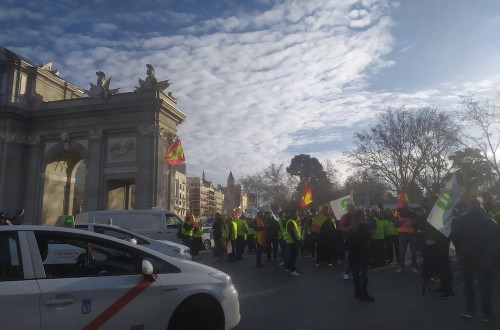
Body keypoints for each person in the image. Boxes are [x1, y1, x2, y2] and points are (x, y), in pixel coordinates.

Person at [451, 198, 500, 321]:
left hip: (466, 258)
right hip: (485, 259)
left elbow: (455, 238)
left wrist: (460, 251)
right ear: (480, 207)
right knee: (485, 285)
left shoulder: (459, 221)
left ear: (468, 208)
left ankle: (470, 310)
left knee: (467, 285)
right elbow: (497, 242)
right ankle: (487, 314)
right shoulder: (491, 222)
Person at [348, 208, 374, 301]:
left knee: (355, 272)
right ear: (362, 216)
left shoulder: (352, 225)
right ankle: (364, 295)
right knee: (363, 273)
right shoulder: (363, 226)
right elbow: (365, 239)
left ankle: (357, 292)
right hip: (362, 251)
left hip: (353, 251)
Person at [396, 201, 419, 274]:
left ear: (408, 205)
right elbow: (397, 223)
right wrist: (402, 221)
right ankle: (401, 267)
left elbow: (415, 219)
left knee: (413, 252)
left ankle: (413, 266)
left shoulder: (412, 211)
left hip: (412, 233)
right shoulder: (399, 212)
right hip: (402, 233)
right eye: (403, 204)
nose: (404, 205)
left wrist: (411, 222)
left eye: (406, 204)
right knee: (402, 252)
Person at [339, 204, 355, 279]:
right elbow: (340, 227)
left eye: (353, 207)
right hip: (348, 238)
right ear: (347, 208)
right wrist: (348, 229)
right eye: (350, 207)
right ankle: (347, 272)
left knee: (356, 257)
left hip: (357, 238)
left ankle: (354, 272)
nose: (351, 209)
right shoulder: (344, 216)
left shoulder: (357, 216)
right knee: (349, 257)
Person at [285, 209, 301, 276]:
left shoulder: (292, 221)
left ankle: (288, 267)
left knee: (291, 256)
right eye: (296, 214)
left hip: (291, 242)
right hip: (292, 242)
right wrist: (296, 242)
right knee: (293, 256)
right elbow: (292, 233)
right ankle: (293, 270)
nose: (297, 215)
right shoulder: (290, 222)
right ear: (292, 214)